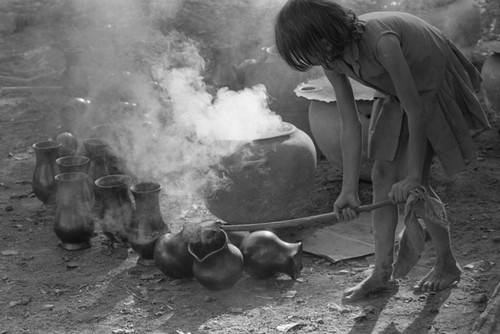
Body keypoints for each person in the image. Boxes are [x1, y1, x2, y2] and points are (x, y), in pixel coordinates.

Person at [274, 0, 491, 301]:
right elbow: (349, 123)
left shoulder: (382, 42)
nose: (311, 60)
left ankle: (447, 264)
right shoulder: (331, 58)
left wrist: (413, 175)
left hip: (432, 83)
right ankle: (381, 273)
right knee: (381, 175)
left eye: (308, 51)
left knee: (419, 186)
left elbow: (416, 111)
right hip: (395, 91)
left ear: (323, 38)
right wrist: (347, 189)